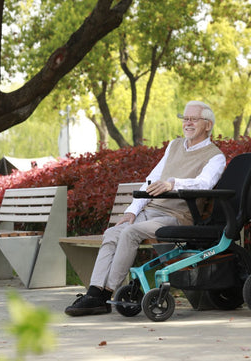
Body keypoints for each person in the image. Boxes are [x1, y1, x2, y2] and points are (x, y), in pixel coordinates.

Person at [65, 100, 226, 316]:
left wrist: (173, 183)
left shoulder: (215, 156)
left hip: (177, 216)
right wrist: (132, 210)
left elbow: (204, 183)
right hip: (151, 211)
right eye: (185, 118)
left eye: (193, 119)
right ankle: (94, 293)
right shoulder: (174, 146)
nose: (187, 123)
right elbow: (152, 178)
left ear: (207, 124)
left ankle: (105, 295)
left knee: (131, 233)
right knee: (113, 232)